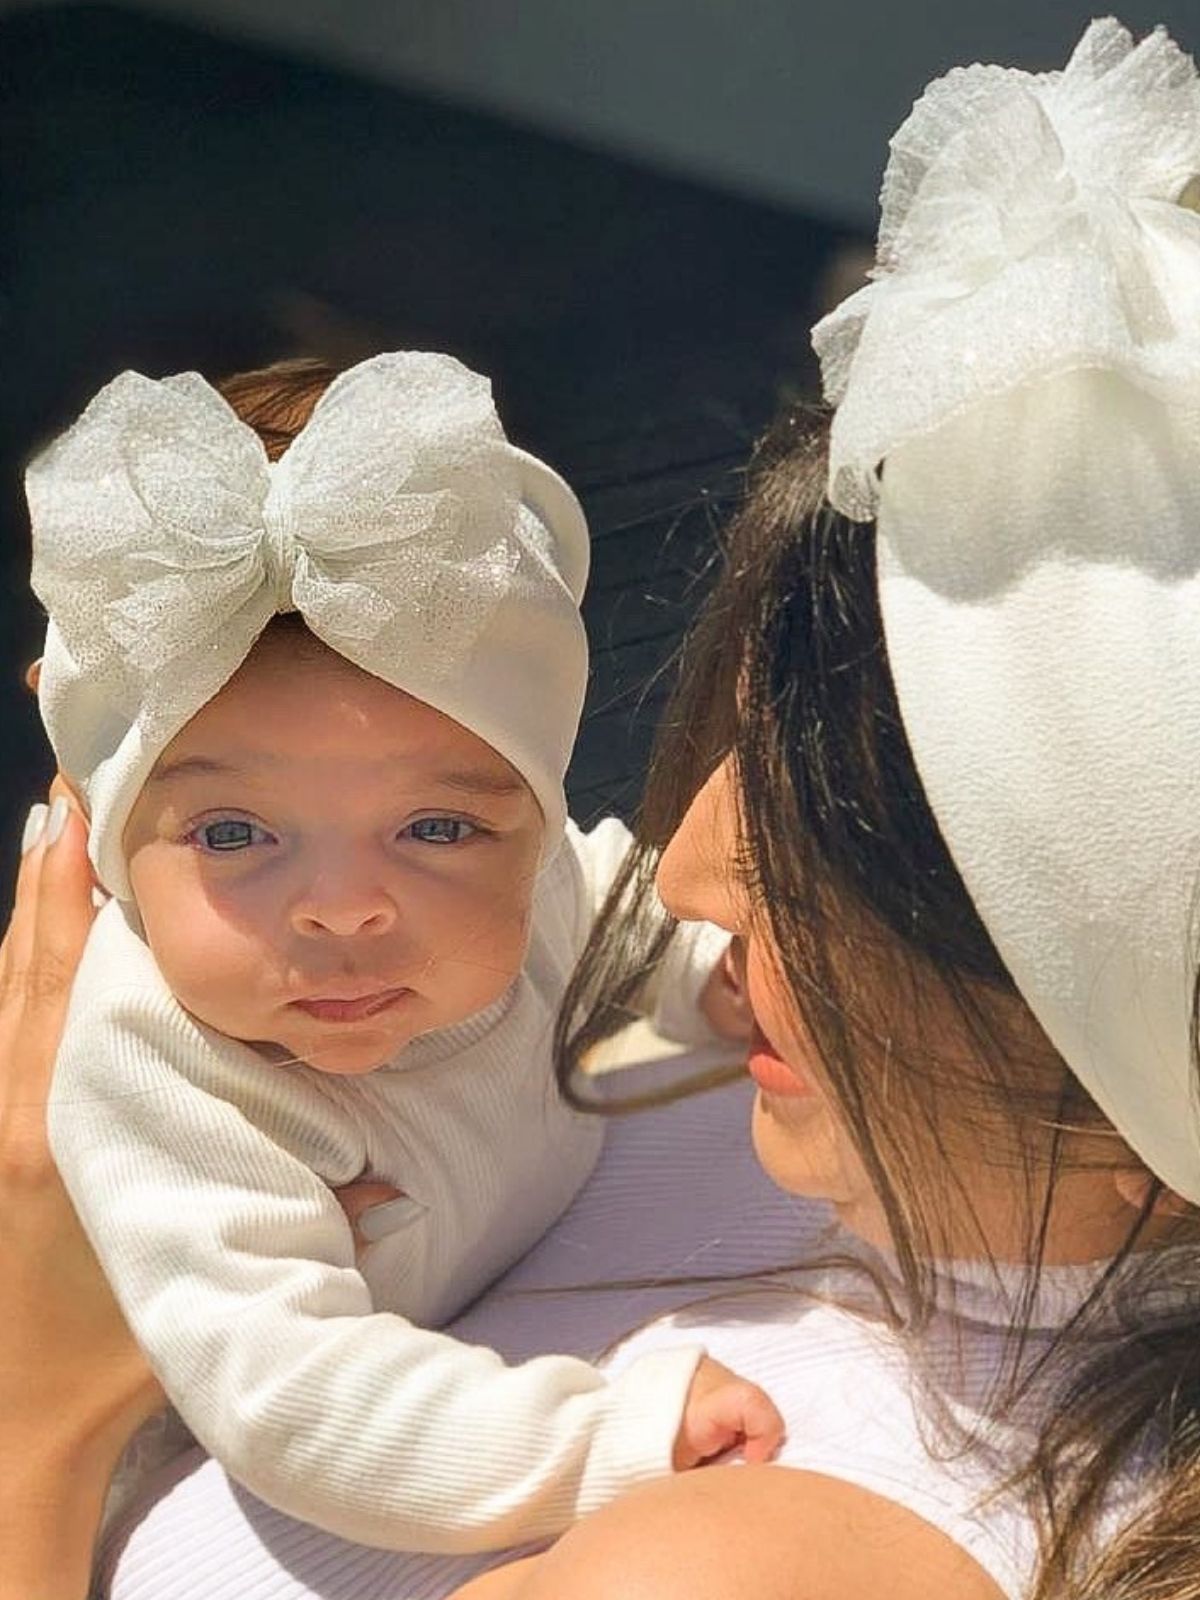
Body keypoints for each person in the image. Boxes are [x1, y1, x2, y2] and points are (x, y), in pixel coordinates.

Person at [8, 14, 1200, 1600]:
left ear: (1111, 1032)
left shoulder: (728, 1552)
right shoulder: (824, 1111)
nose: (686, 863)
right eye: (231, 830)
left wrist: (35, 1419)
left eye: (805, 827)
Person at [24, 350, 779, 1554]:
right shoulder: (162, 1063)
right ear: (110, 843)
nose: (345, 908)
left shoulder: (533, 884)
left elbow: (619, 917)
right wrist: (600, 1442)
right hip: (133, 1483)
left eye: (436, 826)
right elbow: (295, 1397)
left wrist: (719, 976)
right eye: (232, 832)